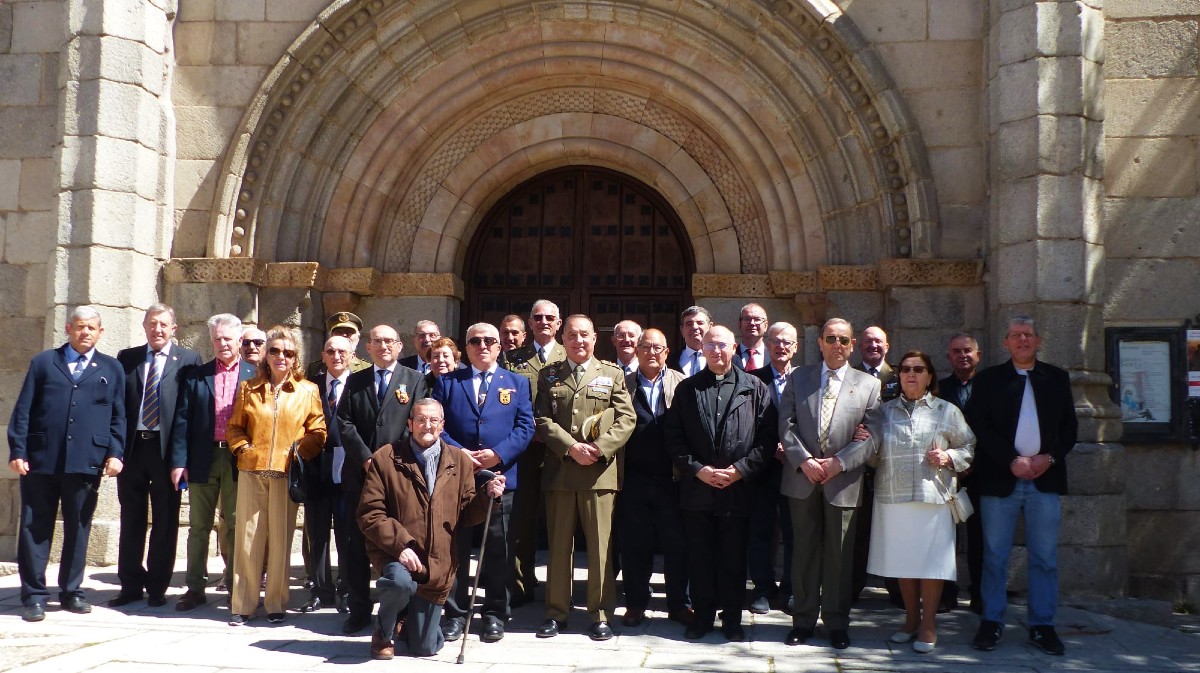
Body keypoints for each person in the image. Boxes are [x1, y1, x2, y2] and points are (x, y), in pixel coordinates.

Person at [831, 351, 975, 653]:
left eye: (918, 369)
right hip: (893, 496)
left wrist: (949, 457)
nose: (911, 374)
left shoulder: (946, 411)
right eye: (906, 369)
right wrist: (861, 439)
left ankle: (929, 624)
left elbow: (968, 446)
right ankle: (910, 620)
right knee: (904, 563)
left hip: (933, 498)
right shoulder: (883, 412)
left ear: (929, 376)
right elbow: (872, 456)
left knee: (931, 566)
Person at [358, 399, 507, 659]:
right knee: (398, 582)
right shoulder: (386, 458)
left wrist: (487, 495)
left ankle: (407, 620)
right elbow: (370, 513)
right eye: (420, 420)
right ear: (410, 424)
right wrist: (401, 546)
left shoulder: (459, 461)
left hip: (437, 565)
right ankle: (383, 631)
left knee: (426, 648)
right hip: (398, 557)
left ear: (442, 425)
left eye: (433, 420)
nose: (427, 425)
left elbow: (468, 514)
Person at [8, 306, 126, 622]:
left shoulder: (111, 369)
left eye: (91, 328)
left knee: (79, 526)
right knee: (35, 526)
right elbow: (24, 410)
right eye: (79, 326)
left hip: (86, 460)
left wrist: (115, 453)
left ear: (101, 333)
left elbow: (118, 416)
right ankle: (33, 596)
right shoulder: (44, 363)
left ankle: (72, 591)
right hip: (41, 458)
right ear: (68, 328)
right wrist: (17, 449)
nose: (85, 332)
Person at [967, 316, 1077, 656]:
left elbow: (1069, 428)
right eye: (1016, 335)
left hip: (1045, 480)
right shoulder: (988, 380)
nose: (1023, 340)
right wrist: (1010, 460)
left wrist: (1049, 458)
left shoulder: (1056, 378)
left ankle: (1043, 625)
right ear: (1006, 343)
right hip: (1001, 479)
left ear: (1038, 341)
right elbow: (978, 426)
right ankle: (992, 621)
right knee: (995, 556)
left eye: (1029, 335)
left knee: (1044, 557)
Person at [666, 325, 775, 642]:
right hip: (697, 490)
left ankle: (732, 620)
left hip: (737, 491)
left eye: (722, 345)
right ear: (703, 350)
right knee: (699, 557)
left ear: (734, 348)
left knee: (733, 559)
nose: (716, 351)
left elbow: (767, 441)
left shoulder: (754, 388)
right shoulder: (687, 390)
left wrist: (740, 470)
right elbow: (674, 439)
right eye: (710, 345)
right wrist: (698, 470)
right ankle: (701, 618)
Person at [778, 318, 881, 649]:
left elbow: (873, 434)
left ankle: (837, 622)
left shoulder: (868, 384)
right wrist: (804, 461)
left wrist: (839, 463)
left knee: (839, 556)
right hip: (802, 478)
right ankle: (803, 621)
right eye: (831, 338)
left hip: (844, 481)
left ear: (852, 345)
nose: (838, 344)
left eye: (844, 340)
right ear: (819, 342)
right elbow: (786, 424)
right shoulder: (799, 377)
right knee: (804, 552)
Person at [533, 314, 636, 641]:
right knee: (559, 546)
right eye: (573, 335)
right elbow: (542, 418)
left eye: (585, 335)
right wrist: (570, 447)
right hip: (561, 471)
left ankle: (601, 613)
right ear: (563, 339)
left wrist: (599, 448)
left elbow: (626, 418)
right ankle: (556, 612)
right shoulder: (549, 375)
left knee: (600, 548)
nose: (579, 341)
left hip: (598, 473)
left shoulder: (611, 373)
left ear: (595, 339)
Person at [435, 323, 535, 643]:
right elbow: (437, 425)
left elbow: (525, 427)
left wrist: (498, 454)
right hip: (457, 476)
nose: (483, 345)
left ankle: (494, 612)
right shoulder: (448, 382)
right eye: (475, 341)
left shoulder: (517, 383)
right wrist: (460, 452)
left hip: (500, 476)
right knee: (457, 547)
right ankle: (455, 612)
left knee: (498, 548)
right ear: (466, 348)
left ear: (499, 346)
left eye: (490, 340)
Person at [225, 325, 326, 626]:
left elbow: (318, 430)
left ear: (296, 358)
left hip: (285, 474)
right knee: (247, 540)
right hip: (252, 472)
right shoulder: (248, 389)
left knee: (281, 541)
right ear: (265, 355)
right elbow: (234, 427)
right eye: (275, 351)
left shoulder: (308, 390)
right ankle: (243, 604)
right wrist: (243, 449)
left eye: (289, 352)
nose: (281, 356)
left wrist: (299, 451)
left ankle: (276, 603)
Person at [336, 324, 429, 633]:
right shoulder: (355, 380)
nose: (384, 346)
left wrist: (386, 460)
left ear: (399, 346)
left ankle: (399, 612)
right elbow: (344, 422)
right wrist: (365, 457)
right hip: (359, 475)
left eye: (390, 341)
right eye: (378, 341)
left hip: (398, 476)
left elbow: (415, 424)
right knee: (355, 544)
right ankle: (359, 609)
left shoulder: (414, 380)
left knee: (398, 541)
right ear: (368, 347)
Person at [110, 304, 202, 608]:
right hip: (134, 450)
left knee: (165, 519)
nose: (157, 329)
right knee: (131, 517)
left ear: (174, 329)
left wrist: (181, 459)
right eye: (152, 324)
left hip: (166, 451)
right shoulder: (128, 358)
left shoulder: (188, 360)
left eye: (163, 324)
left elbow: (189, 412)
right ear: (144, 326)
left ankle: (158, 585)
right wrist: (116, 451)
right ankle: (130, 584)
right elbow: (119, 408)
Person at [171, 313, 258, 611]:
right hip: (202, 456)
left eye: (228, 339)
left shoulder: (254, 374)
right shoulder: (197, 375)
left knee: (234, 523)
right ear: (211, 340)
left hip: (237, 458)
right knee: (199, 526)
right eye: (217, 338)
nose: (223, 344)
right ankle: (195, 586)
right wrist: (178, 462)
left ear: (239, 340)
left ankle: (235, 585)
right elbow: (183, 420)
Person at [617, 328, 692, 629]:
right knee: (635, 545)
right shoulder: (623, 384)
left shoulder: (682, 384)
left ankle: (678, 604)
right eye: (645, 346)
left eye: (657, 347)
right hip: (634, 478)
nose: (651, 352)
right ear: (636, 350)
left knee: (677, 544)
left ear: (666, 352)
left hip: (671, 478)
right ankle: (635, 604)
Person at [502, 299, 566, 605]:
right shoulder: (512, 360)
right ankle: (520, 583)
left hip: (560, 454)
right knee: (521, 522)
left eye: (549, 318)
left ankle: (560, 587)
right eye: (538, 317)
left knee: (561, 522)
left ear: (559, 323)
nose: (543, 322)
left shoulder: (571, 355)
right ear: (530, 323)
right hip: (524, 453)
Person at [745, 321, 799, 615]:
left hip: (795, 468)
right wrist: (770, 449)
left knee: (794, 532)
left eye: (787, 341)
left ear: (795, 347)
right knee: (760, 531)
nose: (781, 346)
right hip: (762, 469)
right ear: (767, 344)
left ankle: (791, 589)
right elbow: (746, 425)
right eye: (775, 341)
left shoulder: (805, 380)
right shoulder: (752, 379)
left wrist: (791, 449)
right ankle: (762, 589)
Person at [301, 335, 355, 614]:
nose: (336, 356)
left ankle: (347, 589)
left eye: (342, 352)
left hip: (348, 467)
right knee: (317, 533)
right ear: (322, 355)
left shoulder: (359, 385)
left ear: (352, 355)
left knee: (346, 533)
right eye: (331, 351)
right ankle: (321, 590)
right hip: (317, 467)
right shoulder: (310, 387)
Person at [854, 325, 900, 604]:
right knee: (856, 533)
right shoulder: (850, 377)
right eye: (868, 341)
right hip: (858, 467)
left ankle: (897, 591)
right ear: (859, 345)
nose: (873, 346)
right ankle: (851, 588)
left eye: (878, 342)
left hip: (891, 466)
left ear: (887, 346)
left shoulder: (899, 377)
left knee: (893, 531)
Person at [939, 331, 984, 613]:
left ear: (977, 355)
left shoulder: (990, 386)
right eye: (956, 351)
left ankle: (979, 593)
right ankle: (946, 594)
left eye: (967, 350)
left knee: (980, 538)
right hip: (946, 475)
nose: (962, 355)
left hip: (981, 474)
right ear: (949, 357)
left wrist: (971, 464)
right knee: (945, 539)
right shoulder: (940, 389)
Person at [306, 312, 371, 378]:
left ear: (358, 338)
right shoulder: (315, 369)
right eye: (339, 332)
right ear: (331, 336)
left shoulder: (367, 369)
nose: (344, 335)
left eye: (349, 332)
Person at [667, 305, 712, 376]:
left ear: (710, 327)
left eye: (700, 323)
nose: (694, 327)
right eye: (689, 324)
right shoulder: (669, 361)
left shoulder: (724, 358)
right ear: (682, 330)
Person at [735, 303, 769, 371]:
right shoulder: (730, 356)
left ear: (765, 326)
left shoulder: (774, 356)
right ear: (739, 324)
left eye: (757, 319)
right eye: (747, 319)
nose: (752, 323)